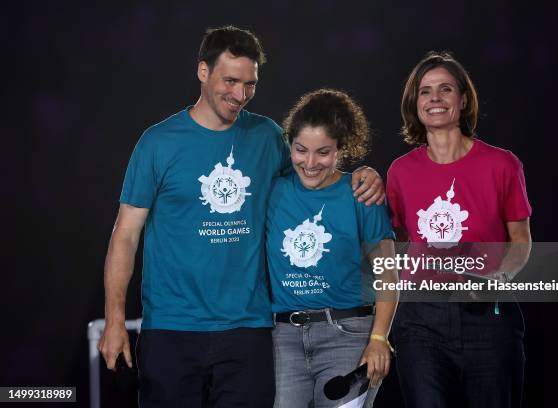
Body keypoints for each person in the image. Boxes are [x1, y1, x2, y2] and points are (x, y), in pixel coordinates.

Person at [97, 26, 385, 408]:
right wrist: (115, 318)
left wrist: (362, 175)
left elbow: (311, 181)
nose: (240, 95)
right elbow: (125, 235)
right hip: (172, 327)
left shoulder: (266, 136)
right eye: (230, 81)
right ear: (202, 71)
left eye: (249, 84)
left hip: (249, 330)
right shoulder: (158, 143)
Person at [387, 51, 532, 408]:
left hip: (487, 318)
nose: (434, 98)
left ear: (463, 99)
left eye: (445, 89)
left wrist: (499, 277)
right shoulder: (400, 171)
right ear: (414, 102)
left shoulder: (502, 164)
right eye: (425, 91)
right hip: (420, 322)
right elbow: (395, 244)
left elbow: (521, 240)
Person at [266, 89, 399, 408]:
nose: (310, 163)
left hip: (349, 336)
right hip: (283, 340)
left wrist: (379, 338)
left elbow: (388, 275)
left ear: (342, 148)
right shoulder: (273, 191)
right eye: (301, 150)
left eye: (323, 152)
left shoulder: (362, 196)